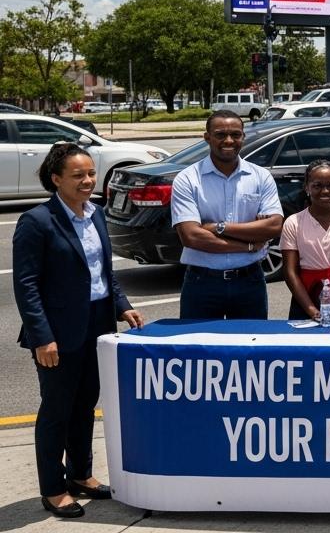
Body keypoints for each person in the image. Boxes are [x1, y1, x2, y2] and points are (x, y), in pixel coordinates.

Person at [13, 143, 144, 518]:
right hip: (57, 333)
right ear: (56, 179)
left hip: (97, 324)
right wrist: (42, 337)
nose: (88, 181)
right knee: (57, 410)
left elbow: (103, 273)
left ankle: (81, 475)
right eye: (78, 176)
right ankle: (53, 489)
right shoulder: (36, 222)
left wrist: (123, 306)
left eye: (90, 174)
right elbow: (26, 285)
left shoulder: (96, 214)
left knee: (85, 406)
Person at [170, 110, 284, 319]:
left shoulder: (260, 176)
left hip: (250, 282)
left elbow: (274, 227)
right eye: (221, 134)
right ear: (207, 138)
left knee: (249, 347)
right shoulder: (187, 179)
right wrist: (249, 245)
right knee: (199, 349)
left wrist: (216, 228)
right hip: (202, 284)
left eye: (235, 134)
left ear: (243, 136)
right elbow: (191, 237)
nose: (229, 140)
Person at [279, 160, 330, 320]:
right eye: (317, 185)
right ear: (306, 187)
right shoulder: (294, 222)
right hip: (307, 296)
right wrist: (311, 310)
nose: (325, 191)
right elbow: (290, 270)